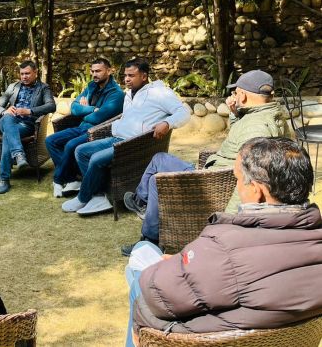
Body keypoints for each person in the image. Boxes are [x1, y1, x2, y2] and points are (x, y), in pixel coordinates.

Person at [124, 138, 322, 346]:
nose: (236, 186)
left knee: (139, 268)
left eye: (237, 179)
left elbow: (156, 294)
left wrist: (174, 268)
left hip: (207, 337)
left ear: (256, 190)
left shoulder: (225, 246)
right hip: (276, 336)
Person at [121, 69, 289, 255]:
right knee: (159, 159)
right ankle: (141, 202)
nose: (233, 96)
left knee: (156, 180)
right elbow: (240, 138)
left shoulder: (256, 128)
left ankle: (150, 240)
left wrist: (227, 219)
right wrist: (235, 113)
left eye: (236, 92)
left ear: (243, 95)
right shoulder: (265, 114)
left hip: (212, 181)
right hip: (214, 170)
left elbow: (248, 176)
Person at [62, 58, 190, 215]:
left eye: (131, 75)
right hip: (117, 138)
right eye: (125, 75)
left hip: (134, 144)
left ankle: (83, 197)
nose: (127, 79)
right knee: (81, 150)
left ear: (144, 76)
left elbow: (184, 112)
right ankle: (99, 196)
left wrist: (167, 123)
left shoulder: (160, 93)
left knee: (96, 159)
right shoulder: (129, 94)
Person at [45, 58, 124, 198]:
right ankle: (72, 179)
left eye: (98, 71)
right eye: (92, 71)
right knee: (50, 140)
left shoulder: (116, 94)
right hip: (81, 127)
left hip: (98, 131)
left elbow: (98, 118)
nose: (94, 74)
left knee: (71, 145)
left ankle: (58, 179)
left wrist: (85, 112)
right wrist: (91, 109)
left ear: (109, 71)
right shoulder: (91, 86)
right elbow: (74, 108)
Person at [0, 60, 56, 194]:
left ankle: (3, 179)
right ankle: (19, 154)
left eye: (27, 73)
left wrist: (29, 111)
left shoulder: (43, 88)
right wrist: (4, 111)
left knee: (7, 135)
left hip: (26, 124)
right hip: (7, 120)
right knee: (8, 118)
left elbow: (51, 106)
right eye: (22, 74)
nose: (24, 77)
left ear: (35, 73)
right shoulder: (13, 87)